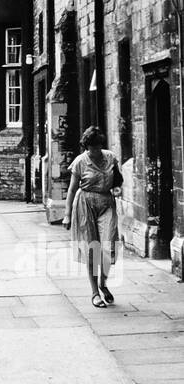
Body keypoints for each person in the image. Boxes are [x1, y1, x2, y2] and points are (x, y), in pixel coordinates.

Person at [62, 125, 123, 308]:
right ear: (86, 147)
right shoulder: (81, 162)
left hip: (106, 202)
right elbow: (72, 189)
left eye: (97, 146)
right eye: (91, 147)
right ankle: (95, 293)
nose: (95, 150)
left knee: (109, 245)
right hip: (85, 203)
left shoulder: (110, 157)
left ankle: (103, 284)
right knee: (92, 249)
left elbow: (118, 180)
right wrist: (67, 215)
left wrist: (118, 188)